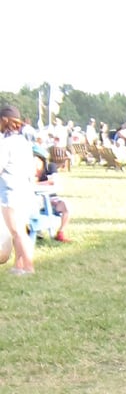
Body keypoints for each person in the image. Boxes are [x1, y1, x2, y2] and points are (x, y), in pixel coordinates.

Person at [0, 104, 37, 274]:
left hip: (10, 192)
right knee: (21, 230)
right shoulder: (25, 142)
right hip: (26, 190)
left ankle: (29, 267)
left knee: (16, 232)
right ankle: (18, 265)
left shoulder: (5, 144)